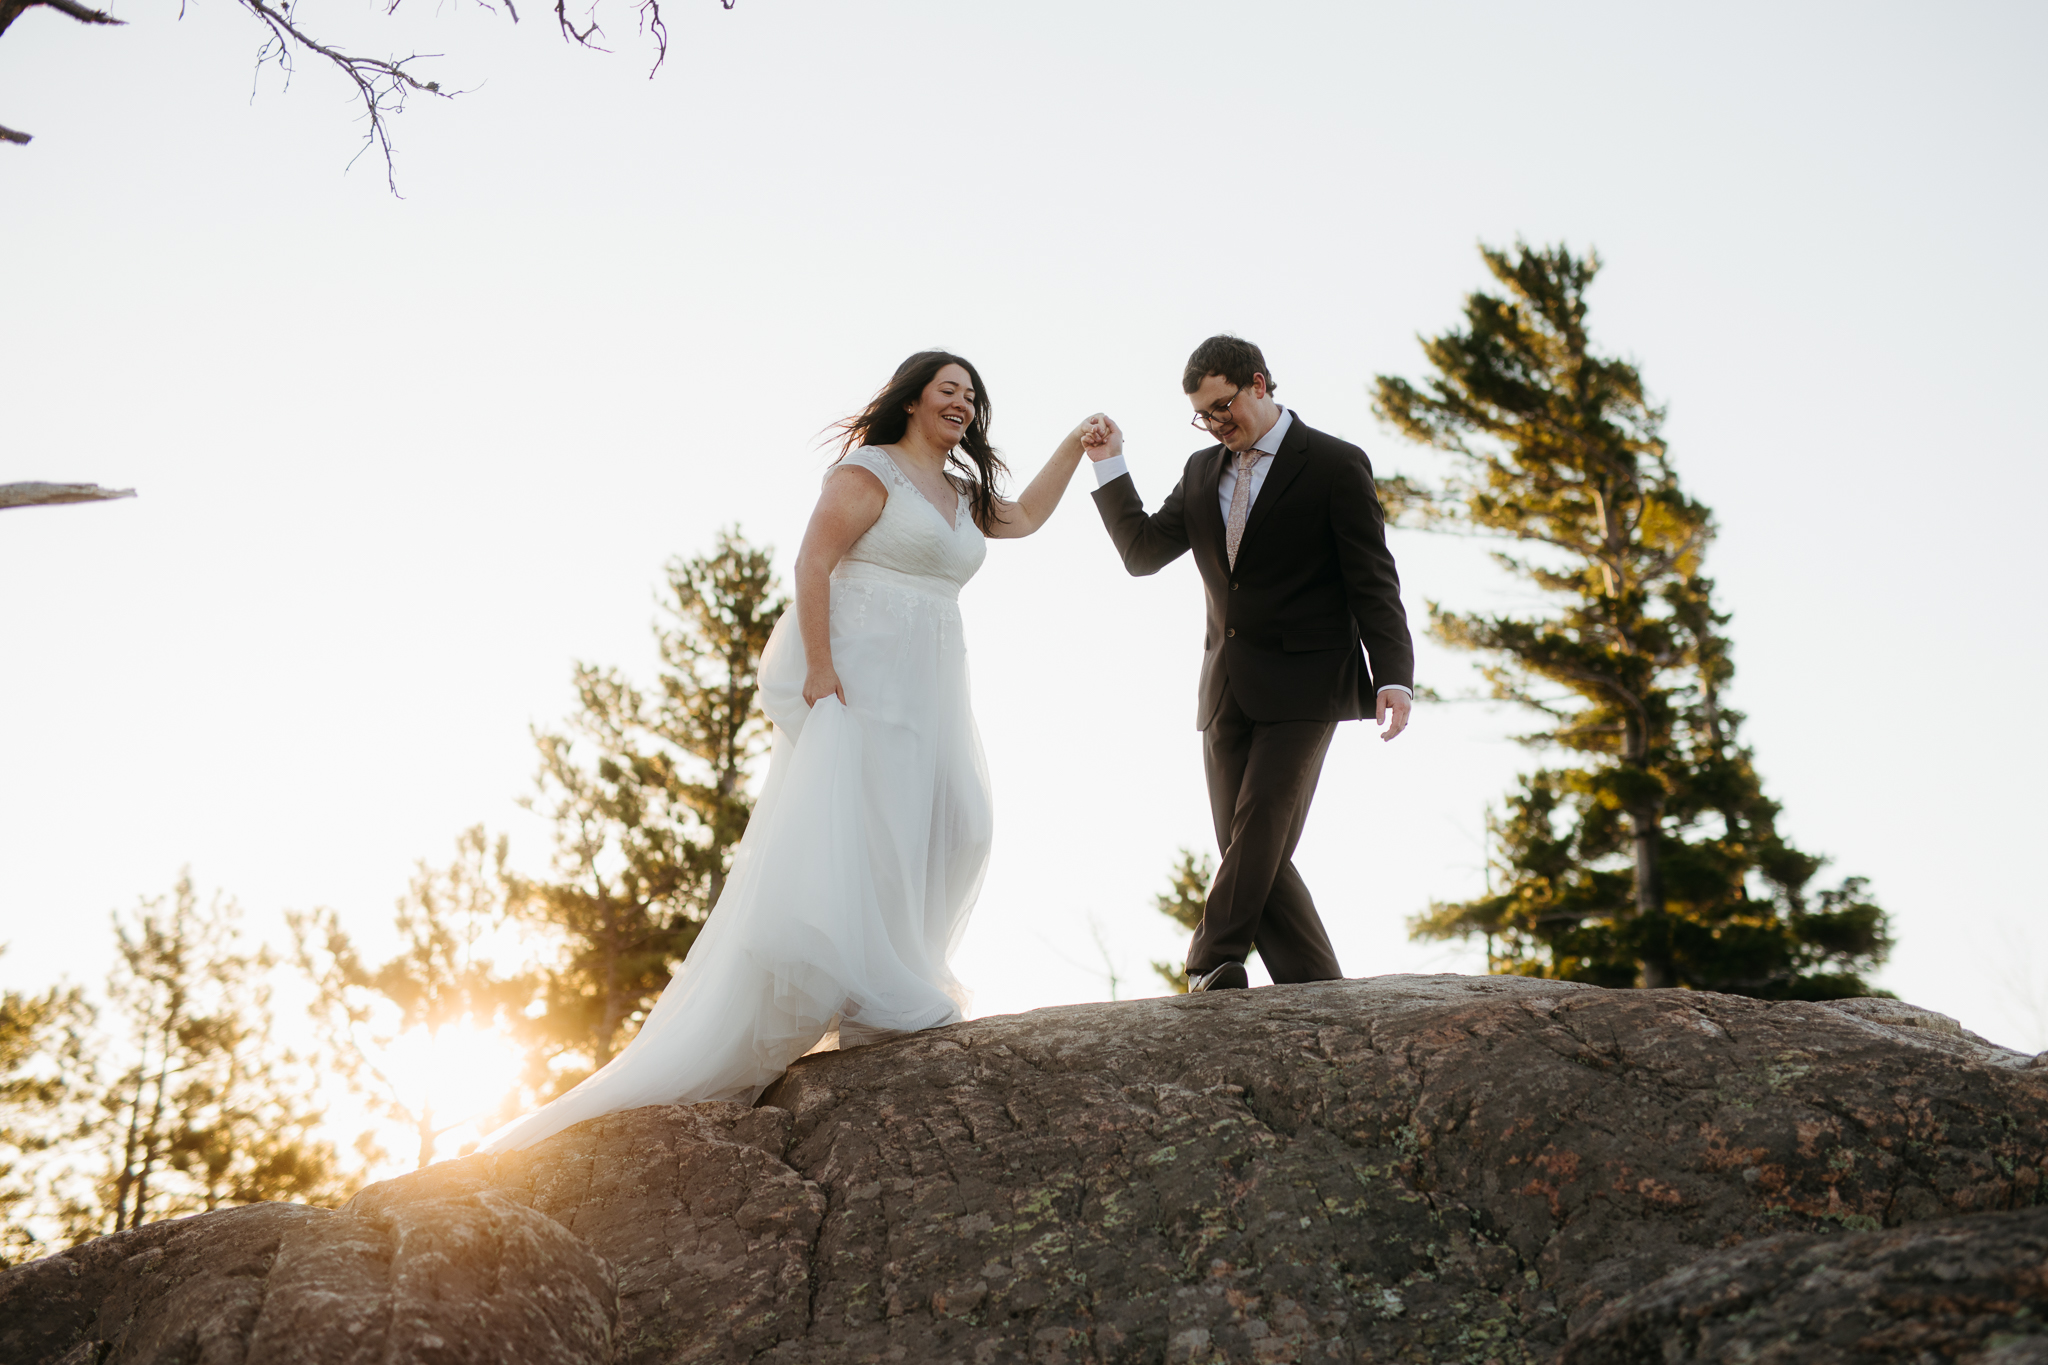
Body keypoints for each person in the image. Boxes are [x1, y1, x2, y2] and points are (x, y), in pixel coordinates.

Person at [479, 351, 1101, 1153]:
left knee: (961, 823)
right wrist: (820, 668)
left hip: (934, 682)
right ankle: (878, 998)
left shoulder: (959, 491)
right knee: (873, 827)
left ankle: (894, 977)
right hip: (865, 670)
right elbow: (813, 562)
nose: (964, 403)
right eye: (950, 389)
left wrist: (1074, 448)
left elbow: (1021, 519)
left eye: (973, 395)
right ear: (913, 399)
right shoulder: (868, 471)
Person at [1083, 334, 1415, 993]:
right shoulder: (1203, 471)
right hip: (1224, 687)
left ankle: (1210, 957)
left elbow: (1373, 579)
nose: (1215, 422)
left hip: (1307, 683)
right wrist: (1109, 464)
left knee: (1260, 821)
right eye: (1203, 414)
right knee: (1251, 848)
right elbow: (1143, 550)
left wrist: (1394, 675)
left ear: (1259, 384)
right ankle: (1319, 990)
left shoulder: (1332, 463)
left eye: (1223, 405)